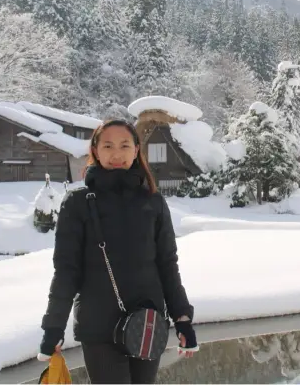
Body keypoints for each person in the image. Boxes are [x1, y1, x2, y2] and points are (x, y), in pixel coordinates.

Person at [38, 119, 198, 384]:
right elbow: (66, 271)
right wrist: (53, 328)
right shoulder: (78, 203)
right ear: (95, 151)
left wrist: (182, 318)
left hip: (147, 323)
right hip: (99, 327)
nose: (116, 153)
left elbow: (167, 265)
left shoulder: (153, 202)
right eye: (108, 145)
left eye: (125, 145)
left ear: (136, 150)